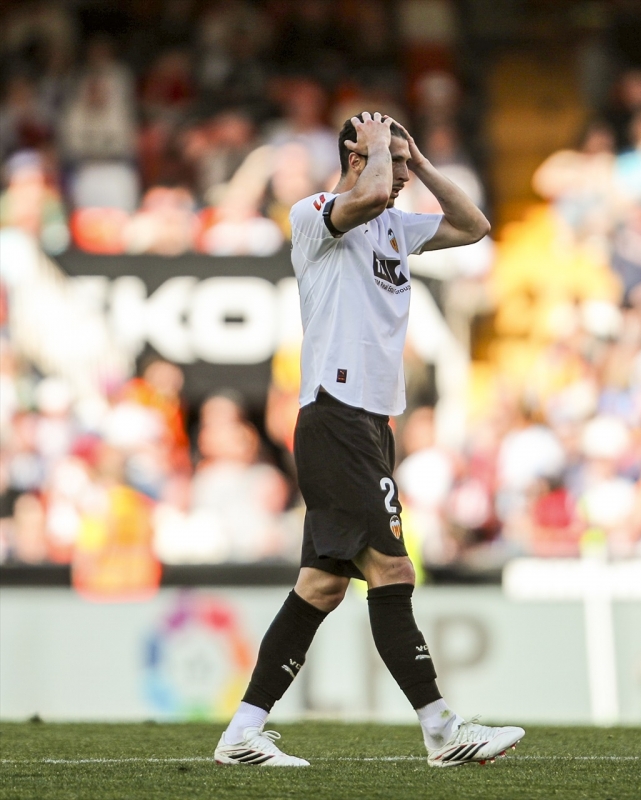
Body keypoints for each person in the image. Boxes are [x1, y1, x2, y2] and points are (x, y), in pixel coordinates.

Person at [213, 112, 521, 767]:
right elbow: (372, 193)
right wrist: (382, 147)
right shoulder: (315, 213)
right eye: (390, 158)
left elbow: (474, 226)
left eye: (406, 163)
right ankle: (442, 730)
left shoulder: (395, 227)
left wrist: (421, 163)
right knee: (392, 569)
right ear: (354, 157)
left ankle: (242, 731)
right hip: (336, 414)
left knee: (320, 587)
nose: (402, 174)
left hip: (368, 425)